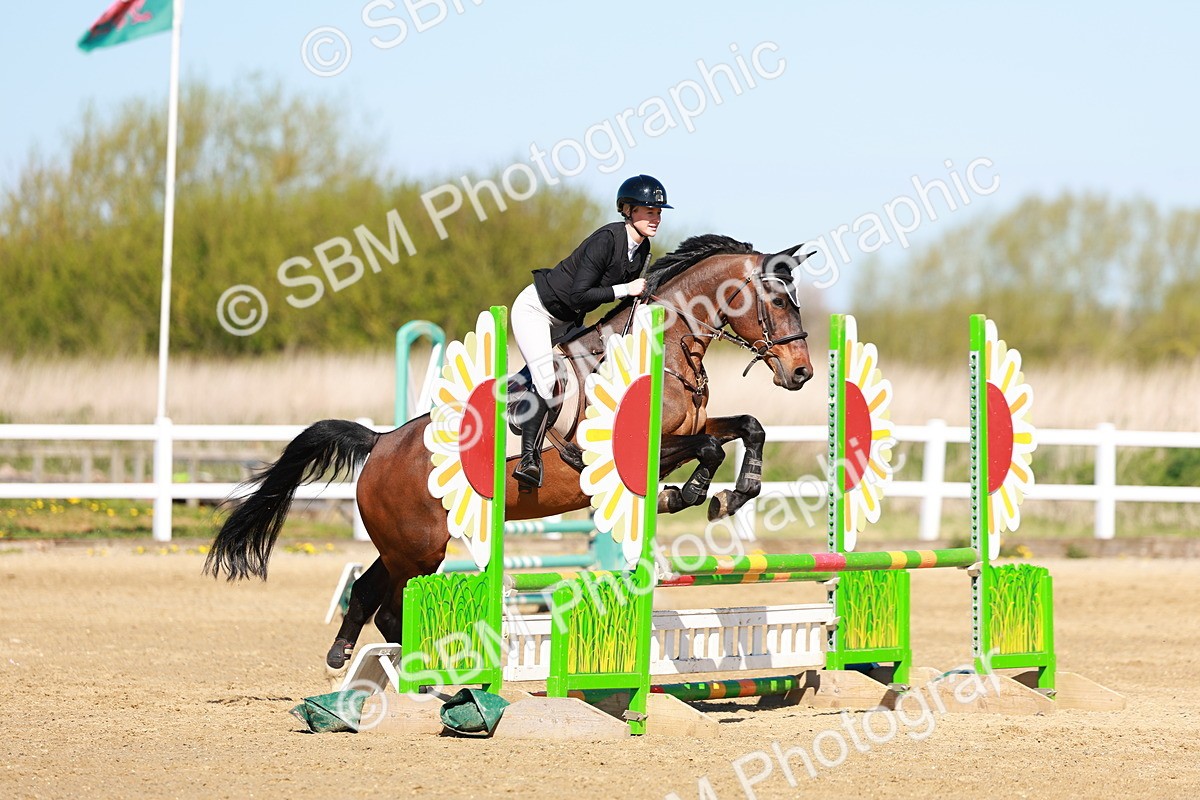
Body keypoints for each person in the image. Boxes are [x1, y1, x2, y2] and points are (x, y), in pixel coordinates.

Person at [509, 174, 672, 489]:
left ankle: (517, 393)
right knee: (547, 380)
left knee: (582, 375)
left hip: (569, 321)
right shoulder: (606, 240)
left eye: (659, 212)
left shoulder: (642, 249)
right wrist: (626, 288)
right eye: (649, 211)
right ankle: (529, 461)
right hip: (538, 310)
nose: (656, 218)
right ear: (628, 210)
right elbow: (579, 295)